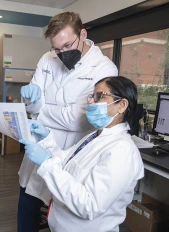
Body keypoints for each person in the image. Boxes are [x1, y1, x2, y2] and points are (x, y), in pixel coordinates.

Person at [18, 12, 118, 231]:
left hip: (71, 155)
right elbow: (33, 107)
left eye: (67, 45)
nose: (61, 53)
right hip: (38, 149)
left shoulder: (104, 69)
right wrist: (31, 99)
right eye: (56, 48)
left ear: (82, 34)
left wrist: (41, 110)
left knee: (62, 217)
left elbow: (77, 120)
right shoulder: (47, 58)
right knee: (27, 209)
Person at [20, 76, 144, 232]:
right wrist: (46, 139)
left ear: (122, 105)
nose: (91, 101)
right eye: (92, 96)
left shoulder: (122, 151)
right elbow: (64, 161)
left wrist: (46, 164)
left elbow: (90, 206)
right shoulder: (96, 136)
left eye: (99, 96)